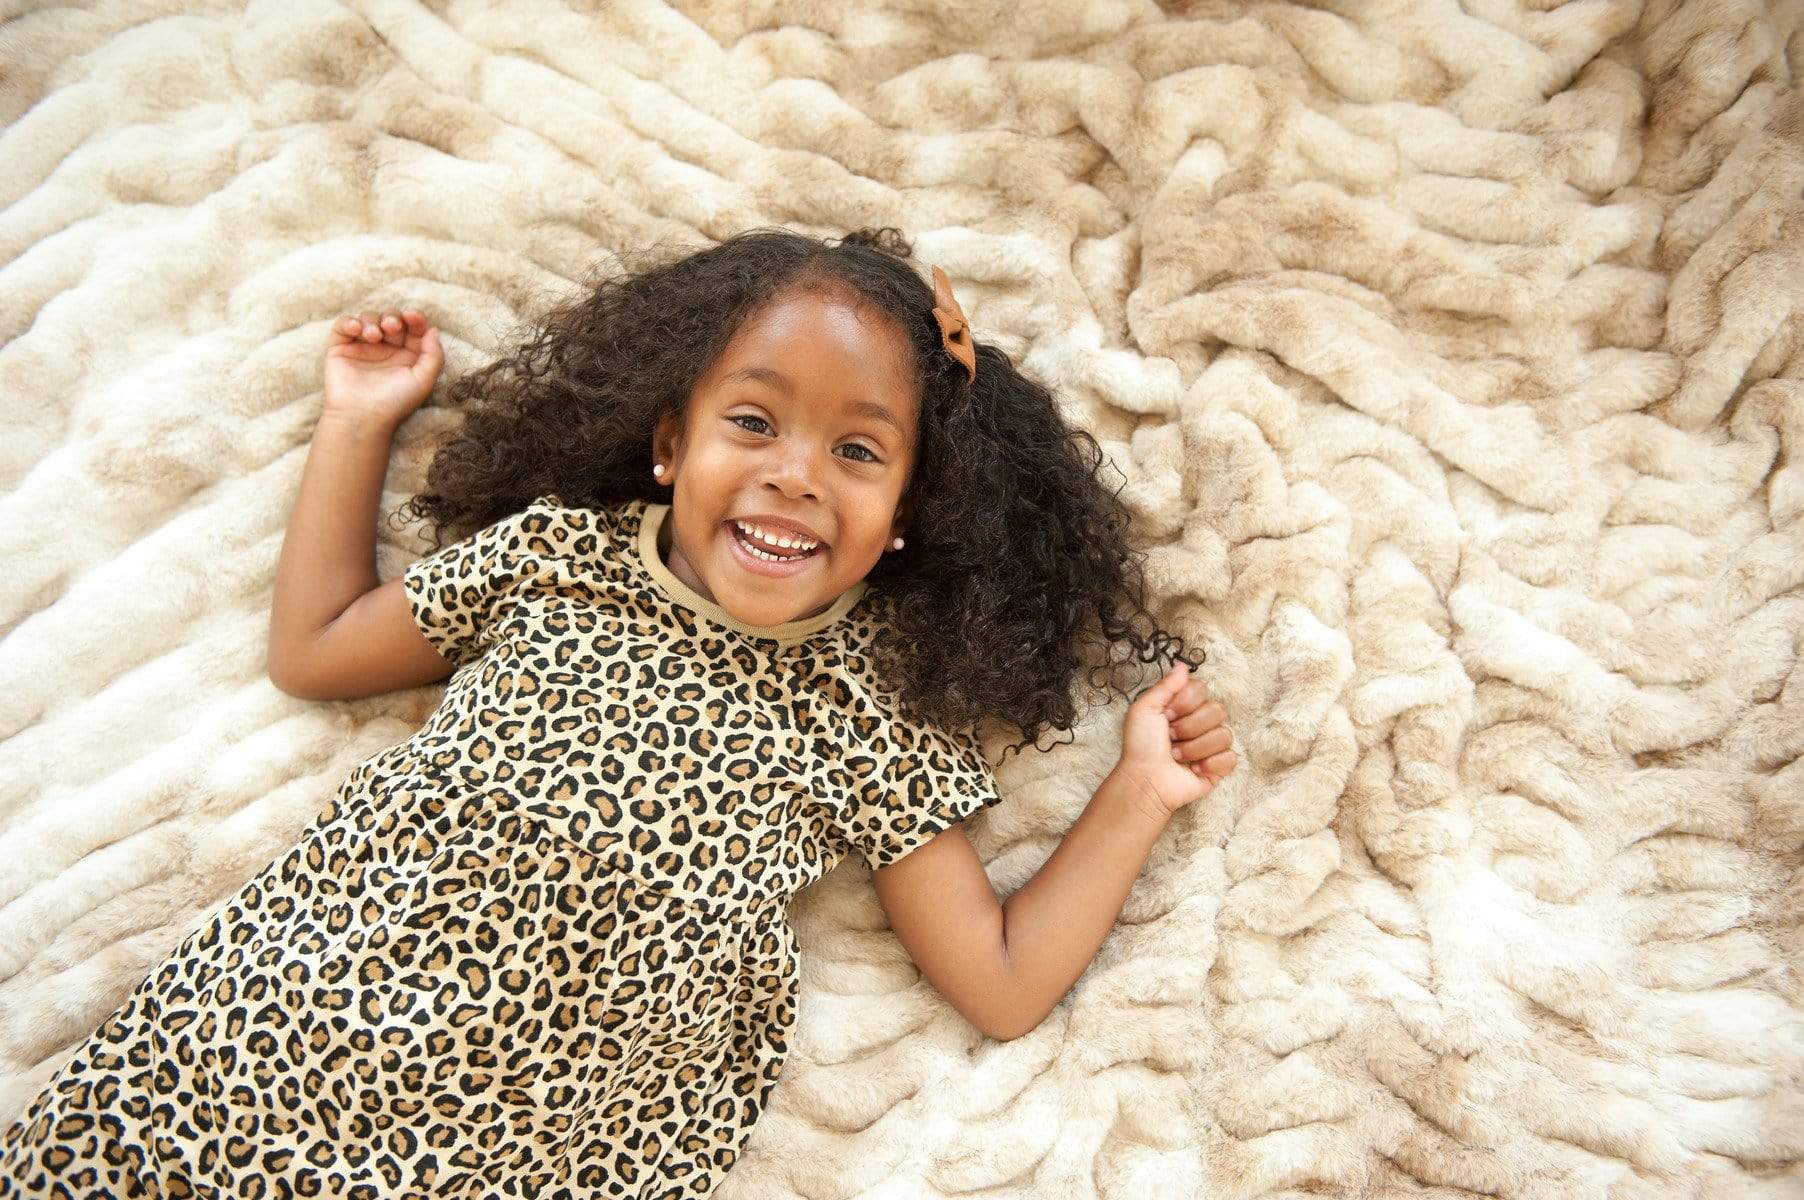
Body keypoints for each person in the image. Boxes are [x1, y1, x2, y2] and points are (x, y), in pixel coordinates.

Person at [0, 226, 1239, 1198]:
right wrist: (358, 421)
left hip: (536, 1148)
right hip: (267, 1048)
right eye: (751, 422)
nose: (794, 475)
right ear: (668, 445)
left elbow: (1002, 983)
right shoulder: (556, 560)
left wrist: (1138, 791)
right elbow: (315, 649)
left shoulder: (872, 706)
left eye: (858, 452)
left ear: (910, 512)